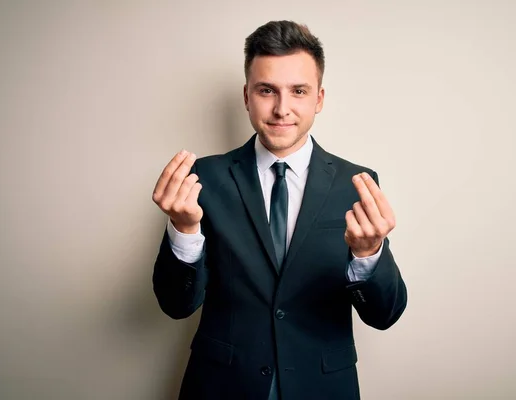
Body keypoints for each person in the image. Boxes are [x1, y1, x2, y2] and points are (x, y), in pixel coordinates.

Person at [151, 20, 407, 400]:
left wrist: (369, 255)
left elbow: (384, 315)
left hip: (321, 387)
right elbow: (176, 305)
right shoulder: (203, 177)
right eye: (266, 90)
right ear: (247, 96)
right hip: (223, 387)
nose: (281, 109)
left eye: (298, 91)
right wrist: (183, 229)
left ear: (319, 98)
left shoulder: (357, 184)